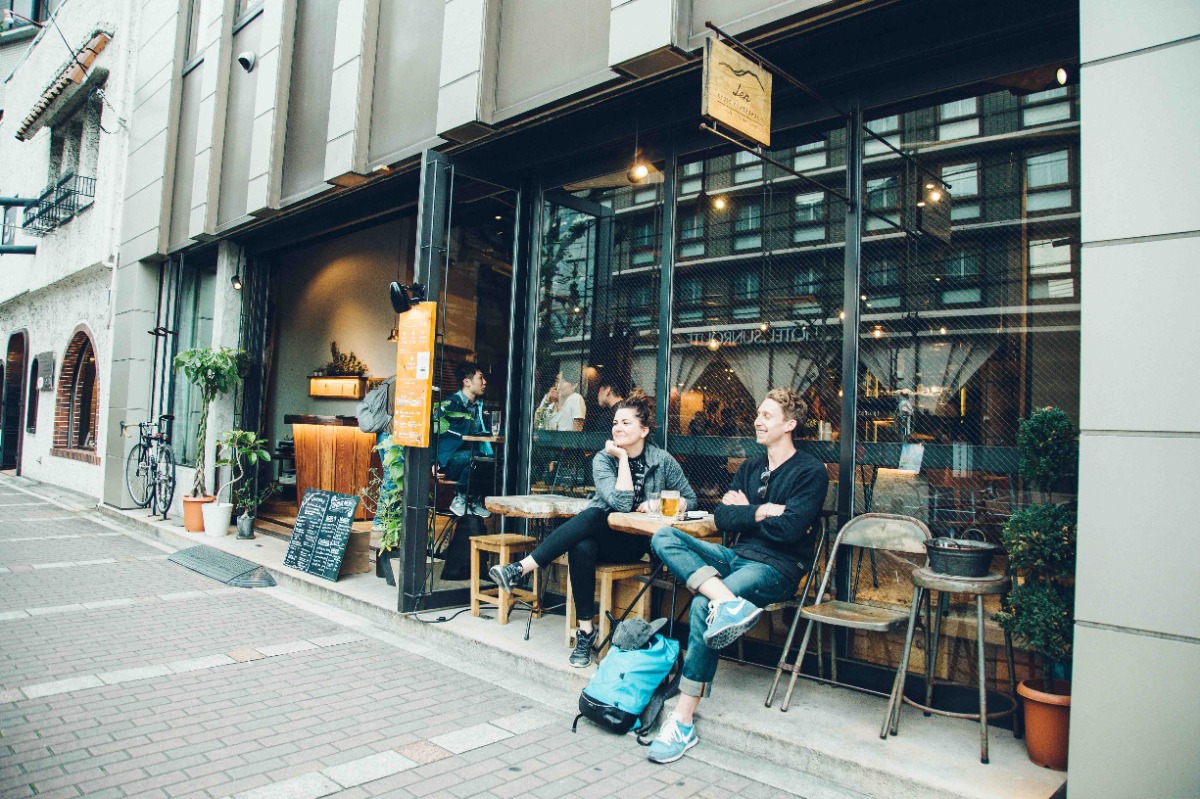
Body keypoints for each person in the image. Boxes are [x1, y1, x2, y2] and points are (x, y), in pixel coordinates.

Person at [646, 388, 828, 764]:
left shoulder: (810, 472)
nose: (758, 421)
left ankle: (682, 719)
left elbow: (791, 530)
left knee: (701, 604)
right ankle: (728, 602)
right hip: (736, 556)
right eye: (759, 414)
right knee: (664, 535)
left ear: (789, 425)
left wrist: (750, 510)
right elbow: (722, 518)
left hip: (777, 567)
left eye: (767, 416)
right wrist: (766, 511)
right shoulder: (750, 467)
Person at [490, 394, 697, 667]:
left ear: (644, 430)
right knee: (583, 541)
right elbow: (621, 503)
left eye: (625, 422)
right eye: (615, 423)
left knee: (592, 516)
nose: (618, 428)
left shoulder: (663, 461)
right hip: (603, 537)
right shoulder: (603, 459)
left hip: (635, 544)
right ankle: (585, 631)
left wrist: (662, 502)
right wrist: (622, 458)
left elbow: (691, 500)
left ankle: (520, 569)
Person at [435, 361, 494, 517]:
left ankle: (474, 500)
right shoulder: (450, 405)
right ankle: (461, 499)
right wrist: (432, 462)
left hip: (474, 456)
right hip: (450, 460)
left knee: (494, 461)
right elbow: (432, 432)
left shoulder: (481, 407)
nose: (485, 382)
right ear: (467, 382)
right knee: (477, 458)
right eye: (481, 378)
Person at [536, 367, 586, 432]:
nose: (559, 385)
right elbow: (536, 423)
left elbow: (577, 430)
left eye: (563, 381)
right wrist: (546, 403)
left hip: (566, 441)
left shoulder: (575, 398)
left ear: (574, 385)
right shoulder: (549, 398)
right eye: (557, 381)